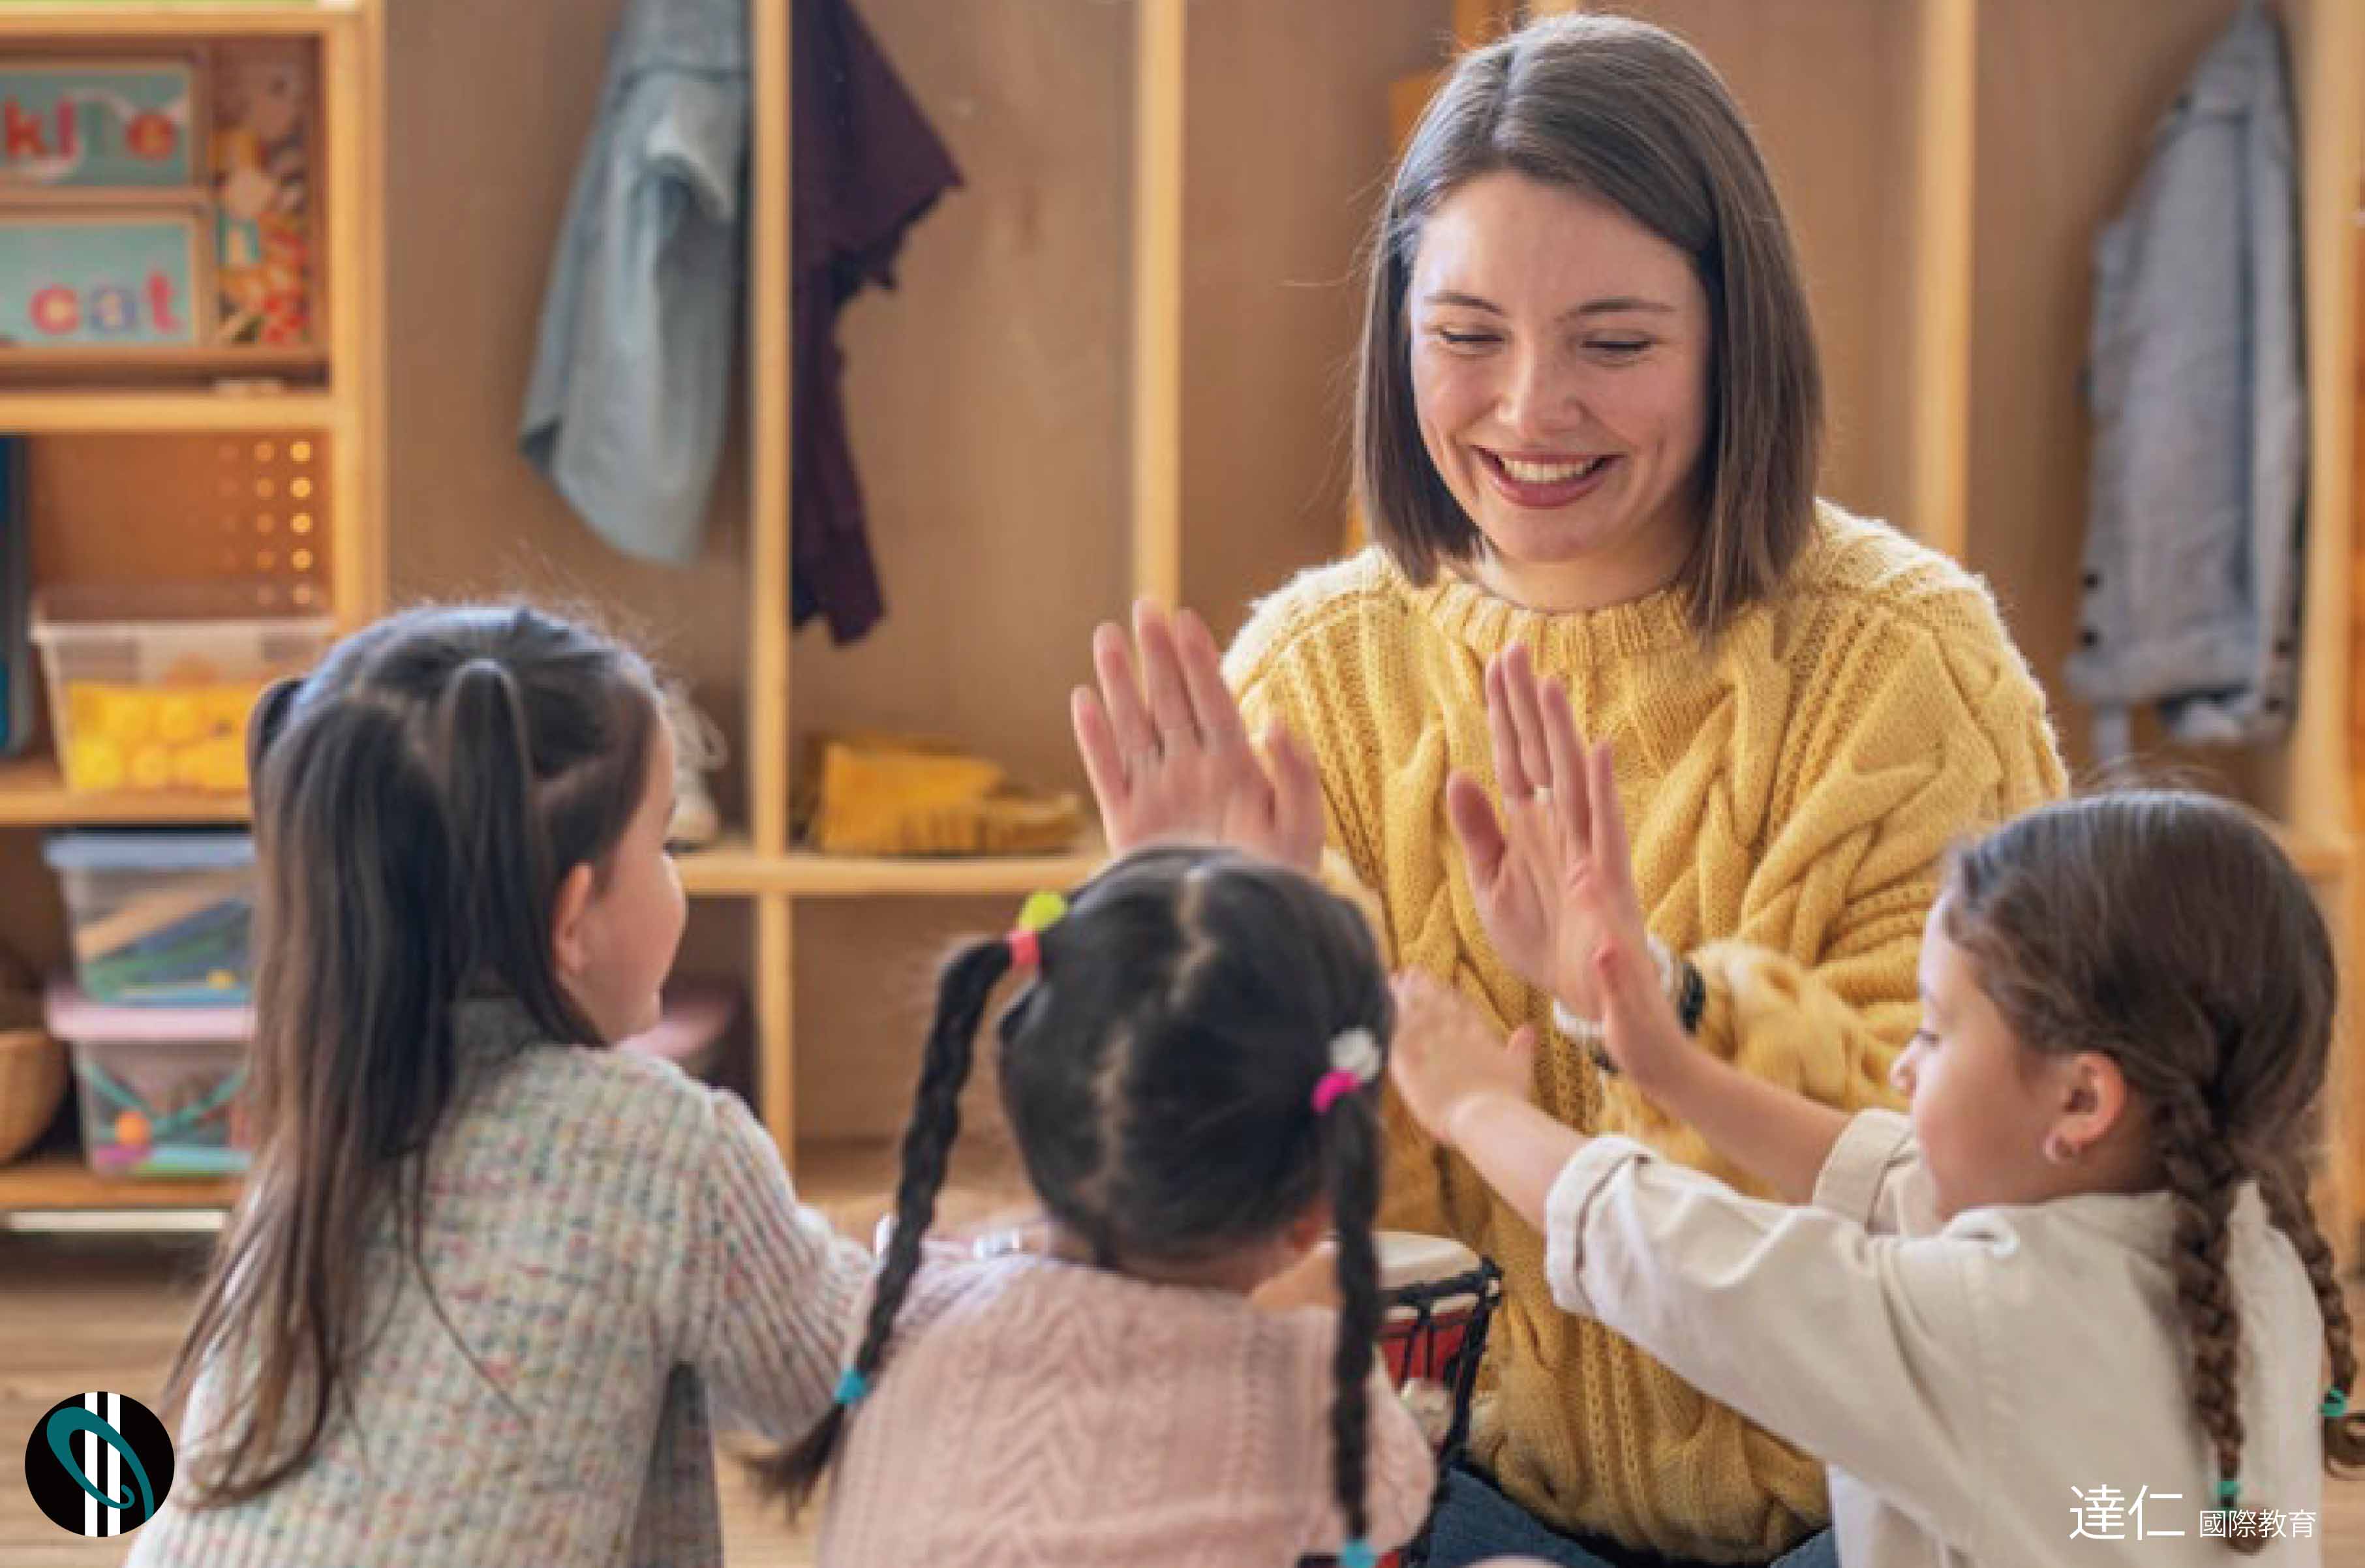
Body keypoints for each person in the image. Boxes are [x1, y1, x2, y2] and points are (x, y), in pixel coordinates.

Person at [1074, 12, 2064, 1565]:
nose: (1529, 409)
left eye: (1612, 343)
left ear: (1733, 336)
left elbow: (1970, 1191)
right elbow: (1239, 1262)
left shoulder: (1901, 664)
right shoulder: (1307, 680)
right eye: (1463, 335)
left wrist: (1647, 1010)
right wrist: (1214, 978)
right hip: (1452, 1488)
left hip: (1862, 1488)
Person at [1386, 776, 2357, 1566]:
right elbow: (1893, 1177)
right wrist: (1668, 1064)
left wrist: (1476, 1108)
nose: (1904, 1065)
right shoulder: (2249, 1241)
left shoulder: (1985, 1327)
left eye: (1935, 1032)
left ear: (2082, 1101)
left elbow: (1678, 1258)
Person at [132, 605, 868, 1568]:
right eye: (666, 848)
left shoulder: (325, 1123)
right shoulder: (660, 1150)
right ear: (573, 918)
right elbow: (834, 1377)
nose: (678, 876)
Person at [761, 846, 1435, 1567]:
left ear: (1029, 1105)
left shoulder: (907, 1304)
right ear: (1315, 1209)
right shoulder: (1302, 1379)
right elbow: (1401, 1495)